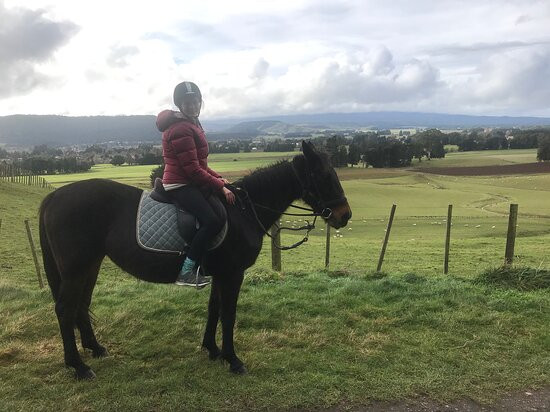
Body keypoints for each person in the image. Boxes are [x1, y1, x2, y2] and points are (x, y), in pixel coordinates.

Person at [156, 81, 235, 287]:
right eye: (187, 102)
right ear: (180, 105)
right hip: (180, 184)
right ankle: (186, 271)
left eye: (195, 101)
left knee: (218, 216)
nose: (192, 106)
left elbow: (199, 165)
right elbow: (192, 170)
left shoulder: (192, 123)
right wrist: (220, 186)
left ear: (200, 102)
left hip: (189, 180)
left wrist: (219, 178)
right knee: (211, 221)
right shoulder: (182, 128)